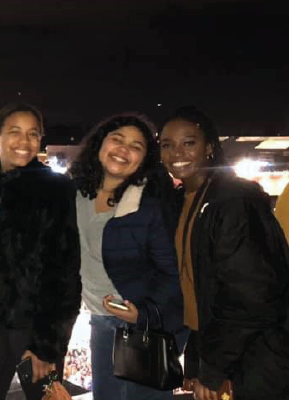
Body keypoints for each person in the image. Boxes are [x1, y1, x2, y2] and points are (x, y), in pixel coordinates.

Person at [159, 106, 289, 400]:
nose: (176, 152)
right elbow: (200, 290)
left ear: (209, 148)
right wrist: (196, 360)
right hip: (231, 351)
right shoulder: (188, 200)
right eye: (167, 145)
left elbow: (251, 297)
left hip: (260, 357)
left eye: (188, 142)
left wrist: (213, 369)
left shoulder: (233, 202)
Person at [68, 113, 185, 400]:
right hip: (99, 319)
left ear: (144, 159)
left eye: (136, 146)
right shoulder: (76, 193)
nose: (123, 149)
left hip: (138, 325)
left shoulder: (148, 204)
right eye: (117, 139)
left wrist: (143, 313)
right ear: (100, 144)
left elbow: (173, 271)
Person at [0, 102, 81, 400]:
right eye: (15, 132)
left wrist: (48, 343)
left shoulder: (55, 189)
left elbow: (65, 270)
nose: (24, 141)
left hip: (37, 327)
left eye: (33, 134)